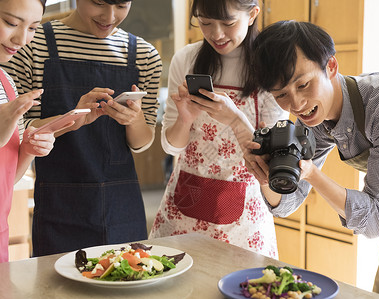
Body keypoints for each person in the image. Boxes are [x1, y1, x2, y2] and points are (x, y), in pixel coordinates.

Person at [246, 20, 379, 299]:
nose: (295, 104)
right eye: (281, 95)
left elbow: (377, 219)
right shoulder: (315, 118)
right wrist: (267, 176)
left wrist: (314, 176)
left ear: (331, 67)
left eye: (303, 85)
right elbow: (289, 202)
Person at [3, 0, 162, 256]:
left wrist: (134, 118)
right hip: (59, 203)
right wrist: (70, 120)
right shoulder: (31, 42)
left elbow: (141, 143)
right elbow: (18, 131)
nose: (109, 16)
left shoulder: (144, 55)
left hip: (122, 204)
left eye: (121, 5)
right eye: (99, 3)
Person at [148, 0, 288, 258]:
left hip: (244, 211)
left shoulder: (271, 67)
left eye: (228, 23)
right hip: (187, 198)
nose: (216, 34)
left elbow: (274, 155)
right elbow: (171, 146)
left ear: (252, 14)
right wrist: (185, 118)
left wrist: (235, 118)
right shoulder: (187, 59)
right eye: (205, 22)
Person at [0, 0, 56, 263]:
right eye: (10, 23)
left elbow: (7, 181)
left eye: (33, 28)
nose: (21, 39)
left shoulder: (7, 83)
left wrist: (29, 151)